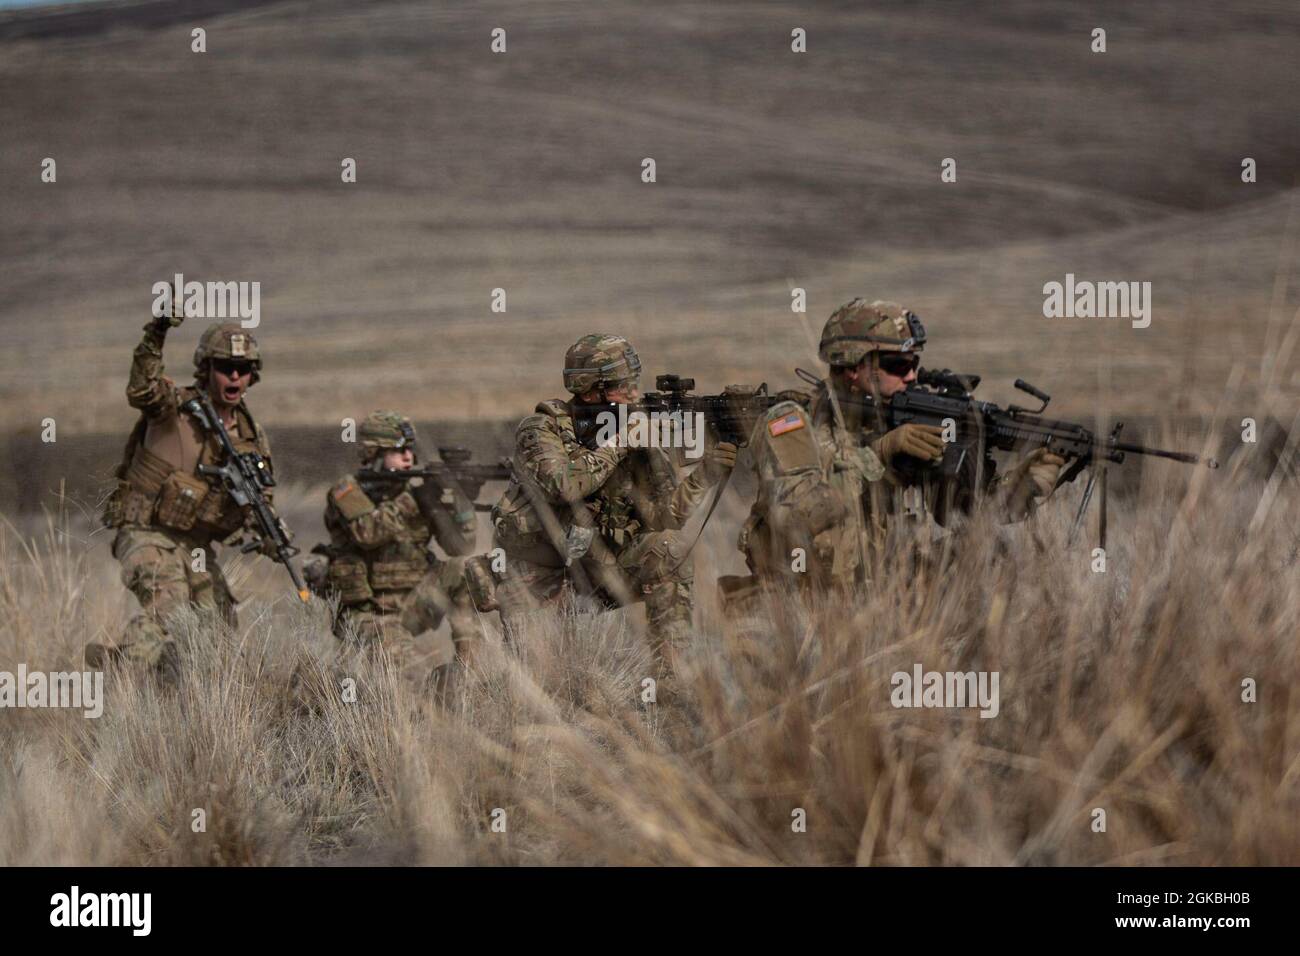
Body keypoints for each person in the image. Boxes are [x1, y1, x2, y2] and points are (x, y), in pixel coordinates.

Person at [490, 334, 736, 680]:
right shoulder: (542, 428)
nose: (634, 394)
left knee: (671, 549)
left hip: (605, 568)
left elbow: (666, 516)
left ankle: (670, 681)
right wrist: (620, 443)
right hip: (544, 577)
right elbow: (564, 484)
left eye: (634, 384)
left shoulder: (635, 425)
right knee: (532, 683)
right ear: (592, 390)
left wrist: (706, 475)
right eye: (624, 386)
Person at [90, 292, 280, 677]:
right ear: (206, 368)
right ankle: (121, 680)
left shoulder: (250, 436)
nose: (235, 377)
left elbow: (260, 500)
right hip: (146, 531)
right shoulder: (173, 408)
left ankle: (174, 690)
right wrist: (156, 332)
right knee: (169, 605)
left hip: (193, 544)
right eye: (226, 367)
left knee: (219, 627)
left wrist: (270, 533)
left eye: (243, 369)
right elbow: (141, 387)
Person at [317, 411, 485, 686]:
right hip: (368, 612)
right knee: (410, 680)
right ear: (373, 453)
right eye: (399, 450)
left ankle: (469, 674)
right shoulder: (347, 491)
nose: (408, 456)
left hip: (413, 603)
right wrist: (415, 499)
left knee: (467, 570)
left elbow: (460, 547)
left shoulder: (417, 492)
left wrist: (461, 506)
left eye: (410, 449)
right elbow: (367, 532)